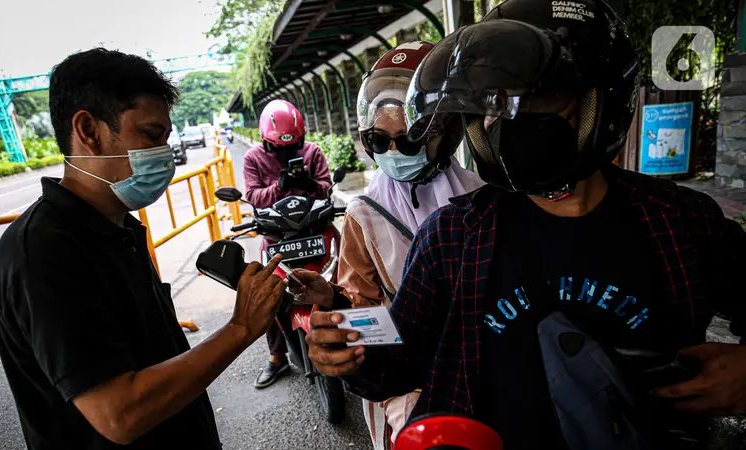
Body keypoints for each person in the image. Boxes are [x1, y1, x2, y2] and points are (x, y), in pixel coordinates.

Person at [299, 1, 746, 449]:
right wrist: (349, 353)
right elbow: (397, 365)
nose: (511, 120)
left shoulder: (681, 221)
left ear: (601, 101)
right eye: (495, 105)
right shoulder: (451, 236)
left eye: (540, 99)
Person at [0, 49, 286, 449]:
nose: (166, 155)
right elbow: (120, 414)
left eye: (165, 137)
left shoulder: (118, 225)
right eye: (150, 135)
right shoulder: (44, 253)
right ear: (89, 131)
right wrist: (240, 328)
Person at [291, 42, 482, 449]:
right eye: (380, 141)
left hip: (485, 361)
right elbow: (367, 314)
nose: (393, 152)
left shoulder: (483, 198)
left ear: (442, 133)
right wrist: (334, 301)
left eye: (408, 140)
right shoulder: (366, 214)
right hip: (406, 379)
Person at [242, 99, 333, 388]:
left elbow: (326, 187)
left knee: (342, 276)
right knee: (268, 291)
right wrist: (278, 186)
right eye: (279, 149)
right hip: (277, 237)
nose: (286, 153)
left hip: (314, 231)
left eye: (292, 147)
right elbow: (253, 196)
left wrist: (308, 184)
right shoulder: (253, 158)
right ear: (266, 142)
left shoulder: (312, 152)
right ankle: (277, 356)